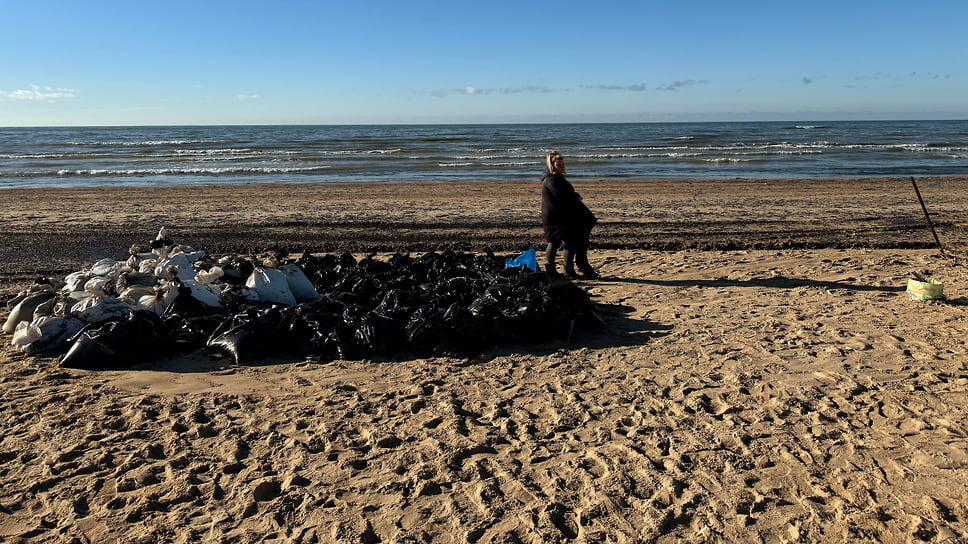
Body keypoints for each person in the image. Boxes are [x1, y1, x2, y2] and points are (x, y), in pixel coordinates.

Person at [540, 151, 599, 279]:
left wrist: (574, 195)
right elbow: (562, 198)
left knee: (558, 242)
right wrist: (574, 197)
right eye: (558, 165)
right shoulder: (552, 180)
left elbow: (564, 195)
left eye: (562, 164)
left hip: (556, 216)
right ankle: (562, 269)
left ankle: (561, 269)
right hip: (555, 218)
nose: (562, 166)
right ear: (552, 165)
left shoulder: (555, 178)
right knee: (563, 242)